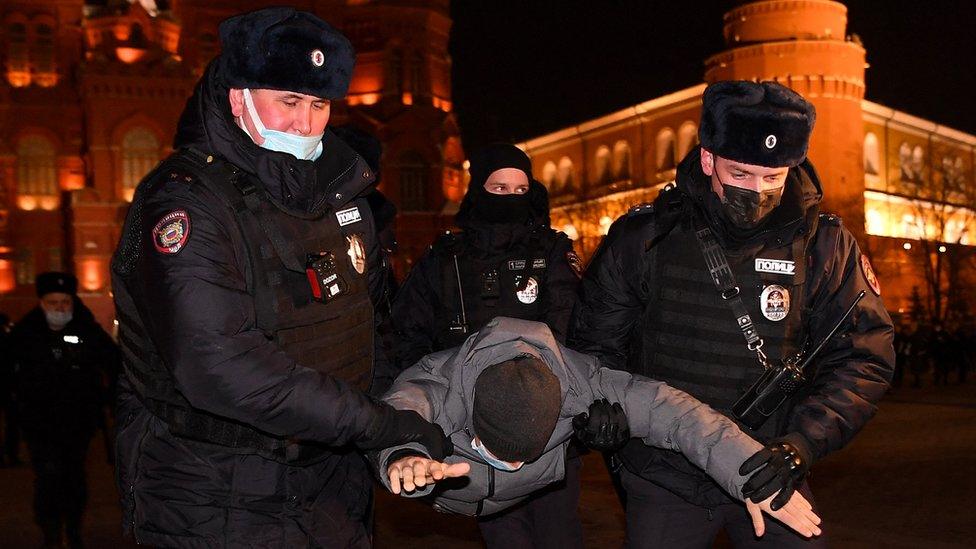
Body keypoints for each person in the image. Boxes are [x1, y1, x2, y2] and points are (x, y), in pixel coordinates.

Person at [110, 7, 449, 547]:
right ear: (237, 96)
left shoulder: (339, 190)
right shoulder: (187, 201)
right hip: (218, 495)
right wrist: (378, 426)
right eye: (288, 101)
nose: (306, 123)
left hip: (333, 487)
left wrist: (394, 437)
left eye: (318, 104)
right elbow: (222, 368)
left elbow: (370, 329)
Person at [569, 81, 895, 547]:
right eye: (741, 174)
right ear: (708, 159)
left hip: (769, 465)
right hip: (666, 472)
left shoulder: (825, 246)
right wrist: (605, 408)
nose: (757, 191)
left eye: (773, 178)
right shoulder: (645, 237)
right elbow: (595, 346)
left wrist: (802, 444)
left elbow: (865, 358)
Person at [372, 316, 822, 542]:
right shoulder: (440, 381)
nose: (510, 465)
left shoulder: (581, 383)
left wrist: (749, 471)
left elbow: (677, 413)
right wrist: (405, 455)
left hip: (534, 499)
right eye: (494, 453)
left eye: (524, 455)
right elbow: (400, 410)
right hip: (452, 504)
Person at [391, 143, 584, 547]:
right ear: (479, 189)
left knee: (558, 531)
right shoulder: (447, 258)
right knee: (503, 532)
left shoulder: (551, 252)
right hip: (474, 423)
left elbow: (574, 329)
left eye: (520, 191)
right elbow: (410, 332)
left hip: (551, 417)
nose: (511, 199)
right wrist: (433, 399)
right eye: (499, 189)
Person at [8, 272, 120, 548]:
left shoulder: (87, 329)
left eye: (64, 302)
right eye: (53, 302)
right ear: (42, 303)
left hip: (78, 423)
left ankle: (72, 527)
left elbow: (113, 363)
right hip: (39, 423)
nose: (59, 308)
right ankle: (50, 529)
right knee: (48, 477)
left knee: (74, 478)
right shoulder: (26, 332)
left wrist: (106, 398)